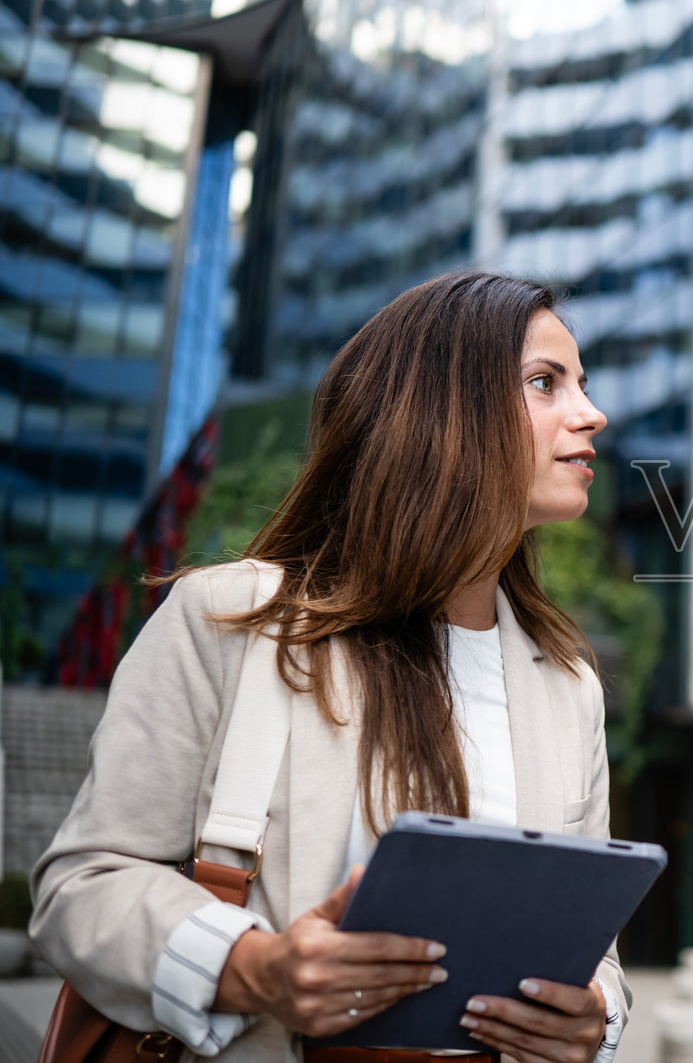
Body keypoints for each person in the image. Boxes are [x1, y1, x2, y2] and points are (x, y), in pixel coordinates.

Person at [32, 271, 626, 1063]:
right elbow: (80, 886)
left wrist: (595, 1020)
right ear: (442, 410)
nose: (592, 413)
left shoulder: (567, 685)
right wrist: (252, 967)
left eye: (579, 384)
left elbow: (595, 952)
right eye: (546, 383)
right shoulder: (230, 621)